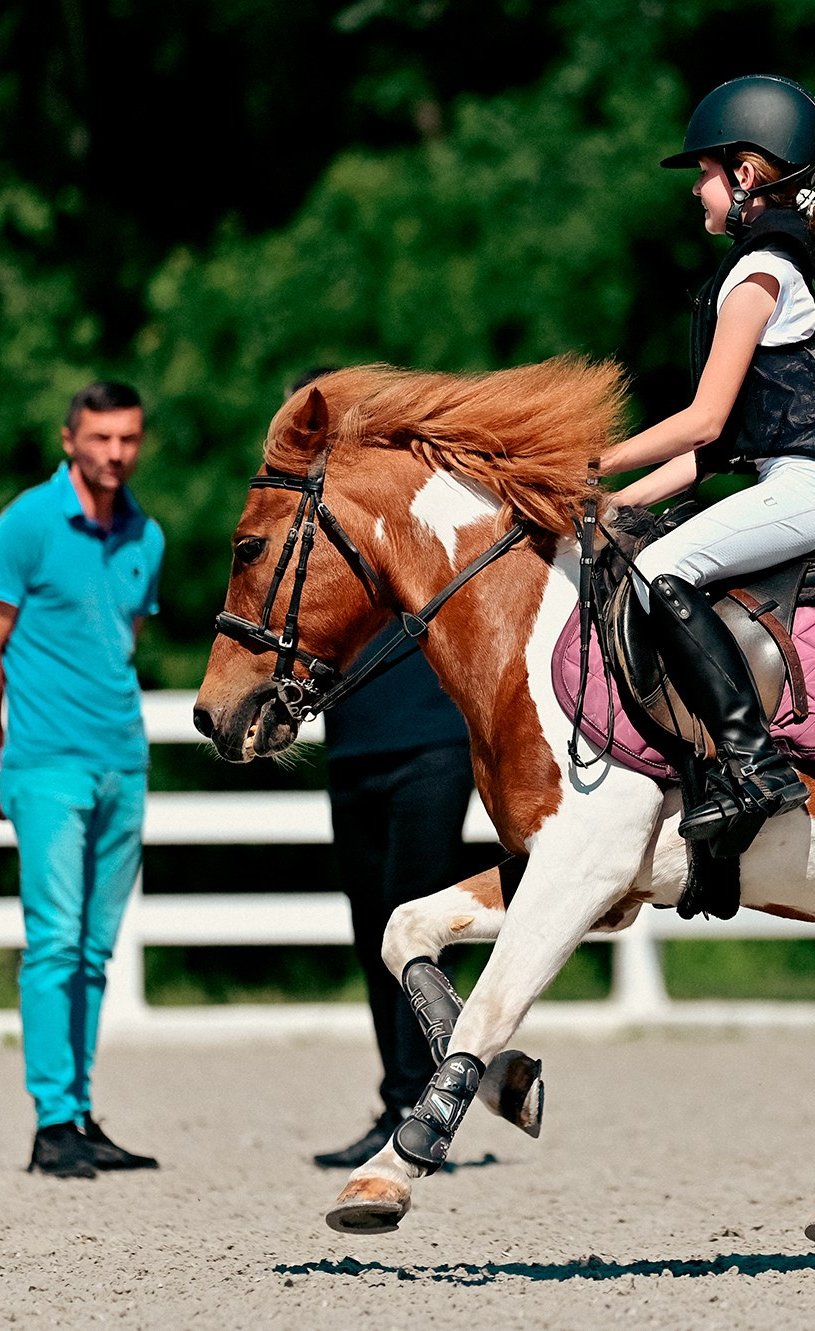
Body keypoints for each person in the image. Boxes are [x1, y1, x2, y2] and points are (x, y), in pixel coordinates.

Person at [598, 73, 815, 859]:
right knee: (649, 551)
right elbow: (707, 454)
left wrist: (589, 458)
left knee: (660, 570)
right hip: (794, 484)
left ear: (747, 175)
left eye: (705, 171)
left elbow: (701, 419)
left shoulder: (760, 274)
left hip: (809, 488)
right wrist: (611, 500)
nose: (695, 188)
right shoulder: (773, 262)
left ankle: (755, 766)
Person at [0, 381, 166, 1179]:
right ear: (69, 438)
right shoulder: (26, 524)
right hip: (45, 762)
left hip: (123, 761)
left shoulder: (146, 533)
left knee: (95, 949)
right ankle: (51, 1123)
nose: (116, 452)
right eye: (101, 437)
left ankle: (79, 1112)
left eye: (128, 438)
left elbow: (120, 643)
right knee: (54, 940)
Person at [291, 367, 490, 1170]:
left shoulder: (409, 504)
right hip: (353, 745)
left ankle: (432, 1101)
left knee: (419, 927)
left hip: (432, 741)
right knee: (374, 928)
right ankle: (398, 1097)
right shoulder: (303, 531)